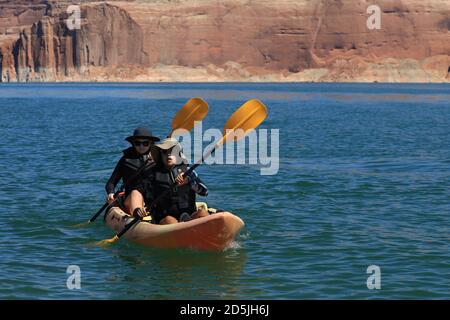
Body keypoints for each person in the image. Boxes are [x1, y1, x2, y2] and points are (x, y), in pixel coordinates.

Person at [127, 138, 209, 224]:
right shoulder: (151, 175)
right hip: (164, 218)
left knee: (202, 213)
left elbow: (205, 192)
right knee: (170, 220)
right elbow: (137, 192)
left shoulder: (188, 172)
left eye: (172, 151)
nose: (169, 154)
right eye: (165, 152)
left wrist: (189, 182)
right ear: (160, 155)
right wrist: (138, 211)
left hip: (189, 214)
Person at [105, 127, 160, 204]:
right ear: (133, 143)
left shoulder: (159, 159)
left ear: (151, 143)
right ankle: (137, 213)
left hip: (152, 198)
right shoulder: (125, 160)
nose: (141, 146)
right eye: (138, 143)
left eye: (145, 143)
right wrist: (111, 193)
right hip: (131, 198)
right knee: (135, 193)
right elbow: (111, 182)